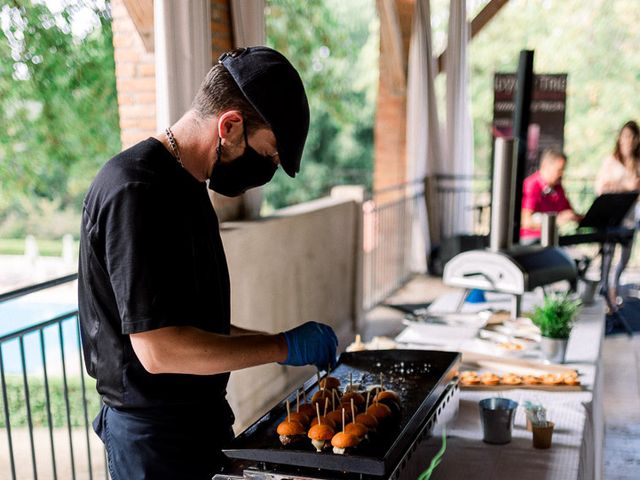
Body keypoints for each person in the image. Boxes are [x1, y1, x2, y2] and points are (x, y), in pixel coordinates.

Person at [77, 46, 338, 480]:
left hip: (200, 422)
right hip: (153, 443)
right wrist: (280, 347)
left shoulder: (189, 185)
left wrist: (278, 342)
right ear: (231, 125)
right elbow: (159, 350)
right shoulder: (135, 191)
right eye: (270, 154)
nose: (268, 168)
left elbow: (193, 328)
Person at [595, 120, 640, 305]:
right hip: (611, 216)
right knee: (607, 254)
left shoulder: (637, 163)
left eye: (632, 136)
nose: (628, 140)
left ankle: (614, 287)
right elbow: (601, 187)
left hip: (631, 216)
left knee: (625, 255)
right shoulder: (611, 161)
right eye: (625, 136)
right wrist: (626, 186)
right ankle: (604, 291)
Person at [520, 149, 583, 241]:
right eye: (559, 170)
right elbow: (525, 221)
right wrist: (556, 221)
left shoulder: (558, 187)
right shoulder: (532, 185)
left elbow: (569, 212)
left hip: (552, 239)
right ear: (545, 166)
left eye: (563, 170)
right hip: (532, 240)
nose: (562, 174)